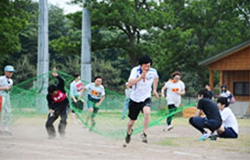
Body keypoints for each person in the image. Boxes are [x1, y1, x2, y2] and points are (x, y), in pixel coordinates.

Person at [124, 55, 159, 145]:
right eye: (145, 66)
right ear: (140, 65)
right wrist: (140, 77)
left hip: (146, 97)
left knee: (147, 112)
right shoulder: (135, 71)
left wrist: (154, 89)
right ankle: (128, 132)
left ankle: (144, 133)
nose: (147, 68)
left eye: (149, 66)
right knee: (131, 122)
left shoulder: (153, 71)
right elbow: (130, 83)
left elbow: (156, 78)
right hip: (135, 99)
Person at [45, 68, 69, 139]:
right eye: (52, 93)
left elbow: (62, 81)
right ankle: (52, 135)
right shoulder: (49, 96)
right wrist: (50, 109)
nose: (54, 94)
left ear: (56, 90)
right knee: (48, 123)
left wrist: (56, 76)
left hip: (64, 107)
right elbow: (50, 103)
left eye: (54, 92)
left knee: (63, 121)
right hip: (56, 109)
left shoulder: (60, 88)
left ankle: (62, 132)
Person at [0, 65, 15, 135]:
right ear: (5, 72)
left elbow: (9, 90)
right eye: (9, 72)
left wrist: (9, 89)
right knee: (1, 112)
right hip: (1, 96)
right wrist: (5, 88)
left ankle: (5, 127)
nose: (10, 73)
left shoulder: (11, 80)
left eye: (12, 72)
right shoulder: (1, 78)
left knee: (8, 112)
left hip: (7, 97)